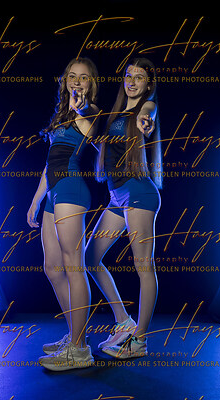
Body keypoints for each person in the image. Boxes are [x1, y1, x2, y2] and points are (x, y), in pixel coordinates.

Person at [86, 57, 163, 359]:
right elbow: (108, 152)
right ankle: (123, 322)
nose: (131, 82)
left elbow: (148, 114)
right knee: (90, 257)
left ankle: (139, 340)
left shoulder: (145, 107)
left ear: (148, 84)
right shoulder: (117, 113)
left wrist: (145, 120)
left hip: (139, 193)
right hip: (118, 196)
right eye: (129, 75)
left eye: (139, 77)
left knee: (144, 266)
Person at [27, 57, 100, 371]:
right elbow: (50, 162)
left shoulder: (90, 110)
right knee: (53, 268)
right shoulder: (62, 115)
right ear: (65, 80)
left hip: (71, 190)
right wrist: (35, 201)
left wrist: (80, 106)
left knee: (73, 267)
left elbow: (88, 118)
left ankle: (80, 349)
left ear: (90, 83)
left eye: (83, 77)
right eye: (72, 76)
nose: (77, 81)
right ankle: (74, 335)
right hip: (53, 194)